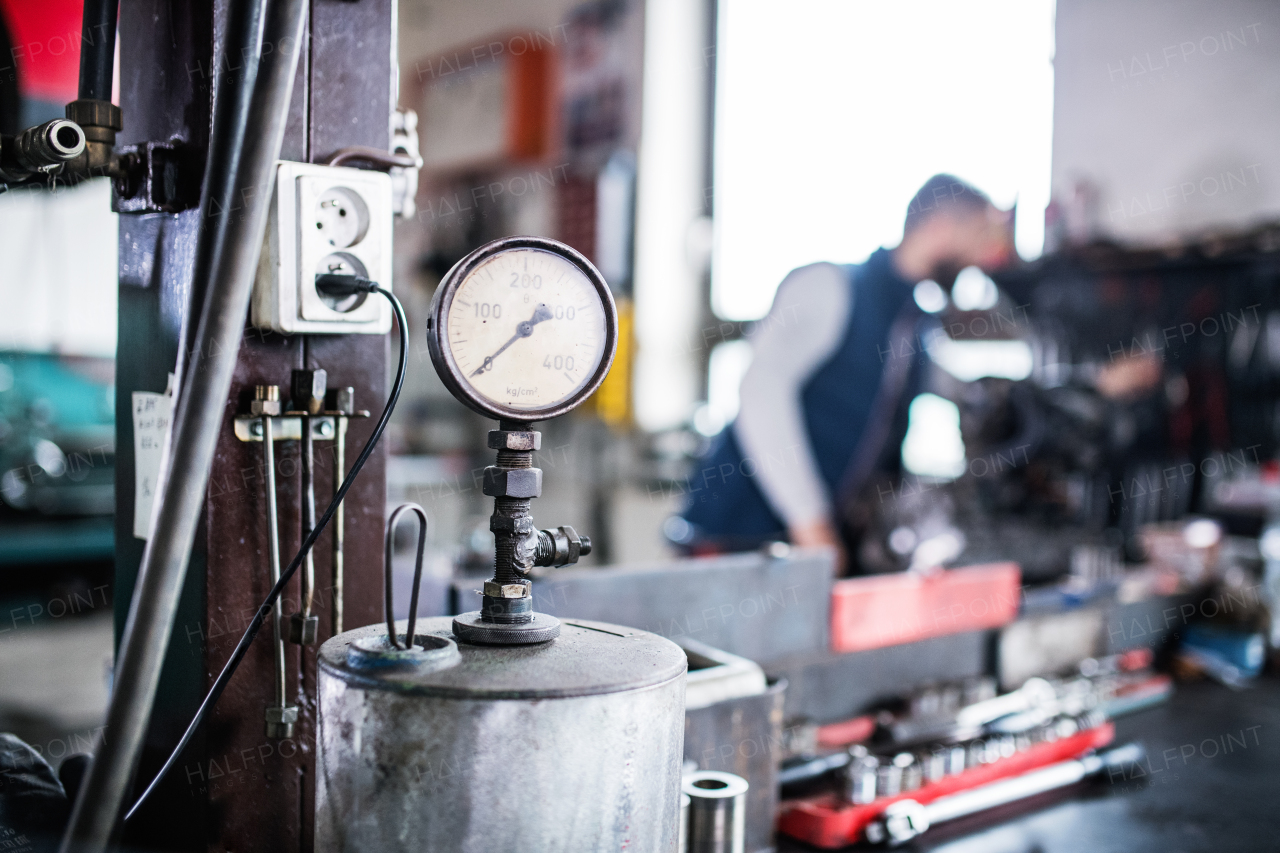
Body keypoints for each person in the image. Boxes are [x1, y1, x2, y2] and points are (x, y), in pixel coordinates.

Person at [675, 174, 1015, 570]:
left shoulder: (912, 326)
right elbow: (761, 390)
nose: (981, 255)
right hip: (737, 543)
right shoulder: (831, 286)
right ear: (939, 227)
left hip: (802, 552)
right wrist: (811, 523)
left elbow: (957, 390)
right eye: (977, 235)